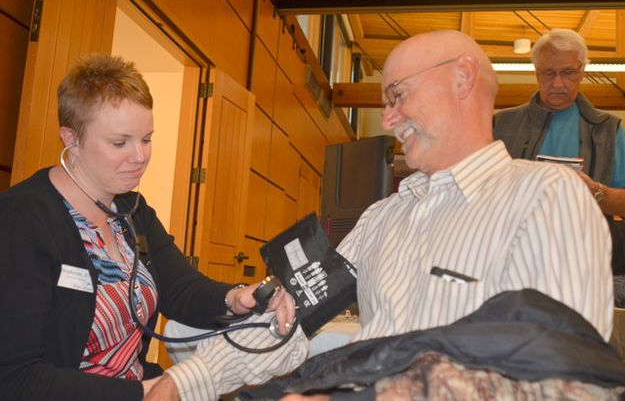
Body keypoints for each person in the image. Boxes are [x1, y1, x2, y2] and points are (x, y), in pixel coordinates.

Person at [241, 29, 616, 400]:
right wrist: (187, 381)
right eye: (547, 72)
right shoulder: (379, 217)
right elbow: (296, 314)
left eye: (398, 95)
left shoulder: (549, 194)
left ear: (462, 79)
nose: (388, 120)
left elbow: (559, 378)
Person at [0, 54, 306, 401]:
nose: (139, 156)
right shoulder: (21, 220)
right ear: (71, 138)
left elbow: (181, 289)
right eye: (120, 142)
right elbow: (14, 380)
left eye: (146, 139)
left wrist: (235, 298)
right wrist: (146, 390)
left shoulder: (133, 211)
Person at [493, 28, 625, 305]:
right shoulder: (502, 125)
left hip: (585, 271)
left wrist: (597, 192)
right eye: (548, 73)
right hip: (511, 266)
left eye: (567, 73)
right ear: (536, 72)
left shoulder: (608, 130)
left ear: (582, 71)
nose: (558, 84)